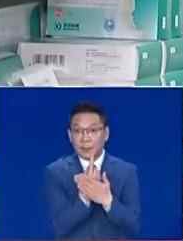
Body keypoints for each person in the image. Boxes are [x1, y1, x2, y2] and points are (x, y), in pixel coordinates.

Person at [43, 101, 141, 239]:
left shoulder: (127, 171)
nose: (85, 138)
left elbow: (134, 226)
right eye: (78, 131)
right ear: (70, 135)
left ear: (106, 134)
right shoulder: (55, 172)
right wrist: (84, 198)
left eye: (93, 130)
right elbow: (58, 227)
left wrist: (108, 200)